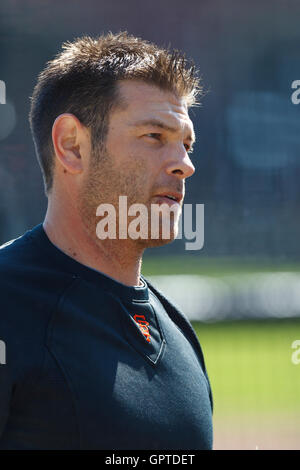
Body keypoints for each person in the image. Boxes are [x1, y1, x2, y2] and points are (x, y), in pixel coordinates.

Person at [0, 32, 213, 450]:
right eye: (154, 136)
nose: (184, 165)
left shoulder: (177, 330)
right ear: (72, 146)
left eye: (186, 144)